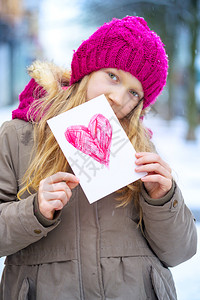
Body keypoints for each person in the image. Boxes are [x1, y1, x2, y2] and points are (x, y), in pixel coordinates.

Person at [0, 16, 197, 300]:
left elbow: (180, 251)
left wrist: (163, 199)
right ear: (87, 70)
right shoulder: (20, 136)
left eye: (133, 92)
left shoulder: (140, 147)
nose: (118, 97)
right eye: (113, 76)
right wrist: (34, 211)